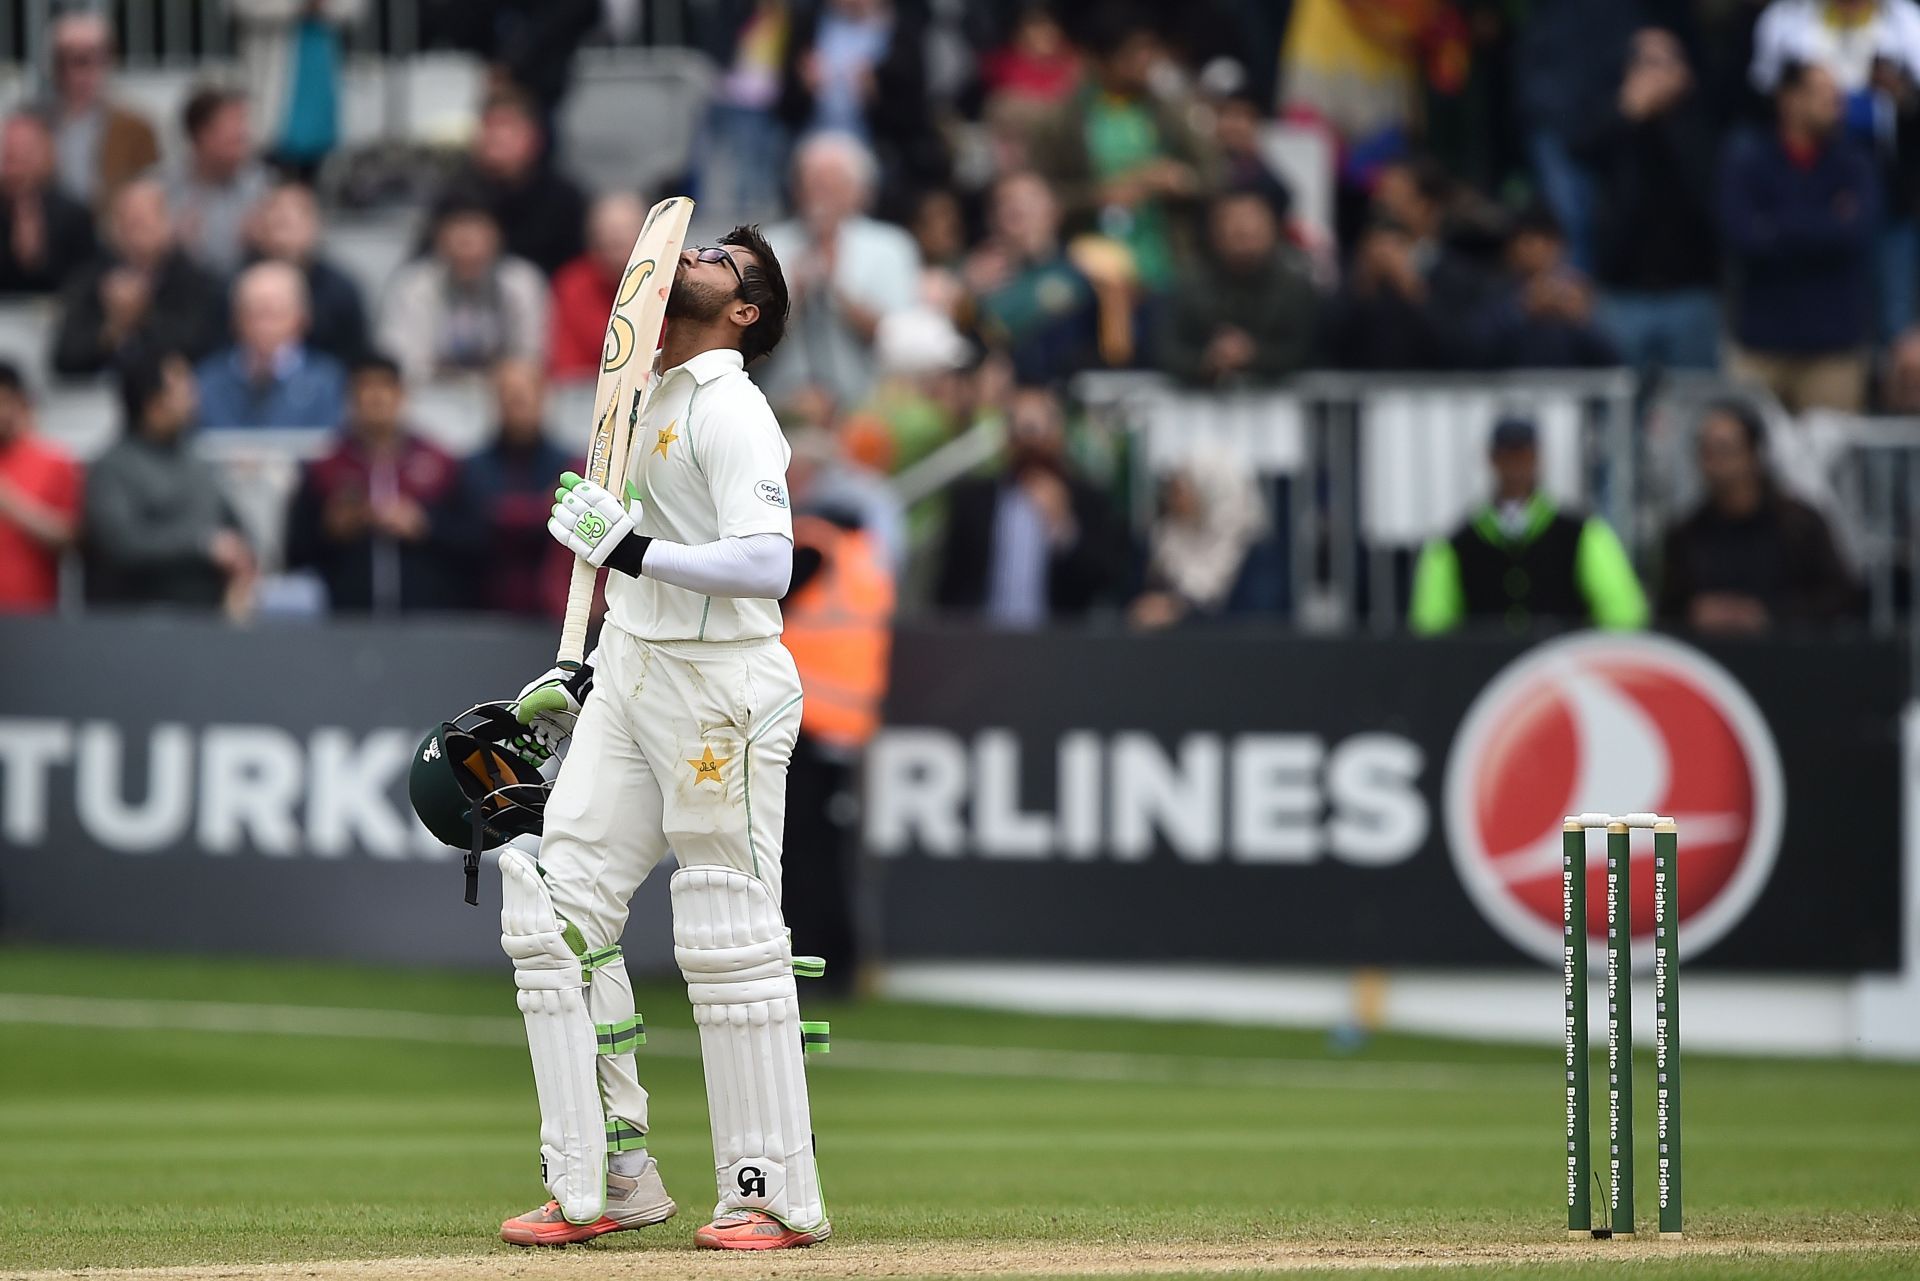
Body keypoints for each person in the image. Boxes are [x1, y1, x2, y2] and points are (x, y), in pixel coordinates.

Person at [501, 227, 834, 1250]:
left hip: (723, 688)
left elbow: (769, 561)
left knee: (726, 931)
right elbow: (629, 559)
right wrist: (584, 657)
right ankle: (613, 1172)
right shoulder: (643, 396)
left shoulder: (735, 408)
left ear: (749, 310)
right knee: (556, 911)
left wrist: (633, 545)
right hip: (633, 668)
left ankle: (773, 1193)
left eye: (729, 260)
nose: (703, 254)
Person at [777, 450, 896, 995]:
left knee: (799, 853)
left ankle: (809, 962)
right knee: (829, 852)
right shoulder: (868, 556)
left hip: (803, 722)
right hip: (846, 727)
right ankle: (839, 963)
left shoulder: (812, 546)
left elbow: (760, 601)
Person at [1720, 59, 1879, 413]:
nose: (1834, 103)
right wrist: (1824, 222)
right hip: (1761, 346)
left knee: (1832, 465)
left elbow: (1855, 235)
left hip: (1834, 349)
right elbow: (1743, 238)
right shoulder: (1749, 161)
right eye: (1821, 93)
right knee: (1746, 461)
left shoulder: (1855, 164)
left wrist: (1775, 226)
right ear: (1788, 99)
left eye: (1835, 94)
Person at [1029, 6, 1215, 294]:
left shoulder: (1172, 111)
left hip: (1166, 264)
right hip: (1088, 269)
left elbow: (1216, 174)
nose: (1145, 63)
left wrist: (1183, 180)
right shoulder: (1062, 120)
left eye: (1149, 52)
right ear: (1100, 61)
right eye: (1131, 55)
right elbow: (1039, 197)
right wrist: (1100, 196)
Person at [1409, 416, 1648, 635]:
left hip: (1560, 669)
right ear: (1492, 459)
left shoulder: (1584, 534)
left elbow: (1624, 614)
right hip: (1482, 673)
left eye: (1523, 455)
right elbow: (1430, 626)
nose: (1515, 466)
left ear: (1537, 458)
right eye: (1507, 456)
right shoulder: (1452, 544)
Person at [1581, 27, 1723, 371]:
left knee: (1693, 409)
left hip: (1690, 293)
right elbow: (1583, 153)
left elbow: (1705, 188)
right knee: (1617, 408)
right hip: (1623, 293)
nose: (1657, 75)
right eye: (1647, 63)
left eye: (1667, 63)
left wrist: (1671, 116)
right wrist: (1628, 114)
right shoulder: (1611, 118)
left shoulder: (1701, 120)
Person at [933, 384, 1129, 626]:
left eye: (1036, 431)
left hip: (1058, 648)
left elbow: (1106, 578)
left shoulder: (1087, 500)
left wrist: (1063, 527)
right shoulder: (973, 500)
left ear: (1058, 434)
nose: (1029, 444)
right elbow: (949, 586)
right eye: (1019, 431)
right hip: (982, 644)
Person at [283, 354, 464, 613]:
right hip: (346, 620)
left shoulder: (439, 463)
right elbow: (295, 550)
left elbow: (473, 540)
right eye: (365, 388)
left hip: (427, 619)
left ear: (401, 395)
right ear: (350, 398)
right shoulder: (326, 467)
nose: (376, 398)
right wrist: (331, 530)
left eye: (385, 387)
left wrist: (425, 525)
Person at [1658, 400, 1857, 631]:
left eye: (1723, 450)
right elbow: (1666, 612)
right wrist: (1694, 612)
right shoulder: (1685, 535)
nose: (1712, 463)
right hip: (1707, 661)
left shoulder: (1800, 524)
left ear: (1753, 455)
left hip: (1792, 658)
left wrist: (1768, 613)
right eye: (1705, 450)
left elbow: (1839, 597)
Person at [83, 351, 255, 612]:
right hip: (135, 624)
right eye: (183, 390)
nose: (194, 399)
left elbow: (234, 524)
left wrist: (243, 552)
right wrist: (201, 546)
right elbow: (122, 544)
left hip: (205, 621)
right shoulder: (112, 466)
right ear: (153, 405)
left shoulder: (196, 459)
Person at [759, 132, 921, 408]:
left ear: (861, 191)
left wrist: (836, 289)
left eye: (833, 187)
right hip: (782, 404)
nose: (822, 197)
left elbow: (900, 340)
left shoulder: (891, 246)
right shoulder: (768, 245)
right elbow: (750, 344)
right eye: (814, 185)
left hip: (868, 406)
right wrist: (792, 296)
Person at [51, 178, 225, 377]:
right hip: (99, 396)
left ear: (168, 222)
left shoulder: (195, 280)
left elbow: (196, 346)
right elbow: (65, 357)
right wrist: (113, 328)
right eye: (128, 223)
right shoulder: (91, 279)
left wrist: (142, 314)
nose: (136, 234)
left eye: (144, 222)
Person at [379, 195, 548, 383]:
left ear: (498, 237)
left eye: (478, 231)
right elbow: (402, 367)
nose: (467, 244)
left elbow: (532, 359)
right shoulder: (411, 287)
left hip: (504, 399)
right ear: (438, 237)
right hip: (432, 398)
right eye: (458, 231)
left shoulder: (522, 283)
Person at [1161, 187, 1319, 385]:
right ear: (1214, 231)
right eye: (1233, 227)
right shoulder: (1187, 283)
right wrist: (1208, 359)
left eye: (1252, 226)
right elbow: (1168, 349)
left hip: (1284, 407)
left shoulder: (1296, 286)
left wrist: (1254, 354)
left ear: (1272, 228)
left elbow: (1307, 349)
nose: (1243, 233)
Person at [964, 169, 1099, 385]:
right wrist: (967, 293)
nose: (1018, 209)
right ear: (992, 218)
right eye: (1006, 202)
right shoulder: (974, 277)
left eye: (1028, 200)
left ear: (1055, 210)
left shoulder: (1086, 266)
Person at [459, 358, 572, 616]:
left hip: (553, 614)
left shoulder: (569, 466)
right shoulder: (472, 467)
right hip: (482, 609)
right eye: (508, 395)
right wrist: (543, 509)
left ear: (542, 397)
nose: (516, 404)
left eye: (523, 395)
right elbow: (478, 527)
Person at [437, 90, 587, 277]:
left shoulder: (564, 200)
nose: (496, 137)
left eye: (507, 127)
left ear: (535, 138)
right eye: (489, 126)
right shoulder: (456, 196)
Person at [196, 261, 349, 430]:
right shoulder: (208, 379)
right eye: (254, 313)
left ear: (302, 319)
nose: (263, 326)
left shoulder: (327, 380)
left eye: (274, 314)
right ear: (234, 320)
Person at [1127, 451, 1269, 630]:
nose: (1174, 499)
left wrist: (1177, 610)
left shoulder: (1250, 554)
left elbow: (1238, 615)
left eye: (1183, 490)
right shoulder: (1163, 539)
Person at [40, 10, 160, 214]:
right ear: (57, 65)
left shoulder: (135, 127)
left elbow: (152, 191)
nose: (86, 71)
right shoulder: (38, 124)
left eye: (97, 59)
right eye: (77, 60)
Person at [231, 0, 366, 178]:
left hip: (318, 56)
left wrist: (323, 6)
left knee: (316, 154)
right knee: (270, 156)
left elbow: (352, 9)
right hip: (273, 57)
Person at [1480, 206, 1619, 370]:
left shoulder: (1582, 293)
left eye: (1548, 243)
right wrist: (1522, 310)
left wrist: (1582, 321)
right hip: (1506, 388)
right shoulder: (1492, 291)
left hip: (1572, 388)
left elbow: (1614, 360)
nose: (1532, 251)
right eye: (1526, 242)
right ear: (1510, 249)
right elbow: (1471, 351)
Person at [245, 182, 369, 363]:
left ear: (315, 226)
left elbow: (355, 359)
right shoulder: (241, 285)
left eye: (290, 224)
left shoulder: (341, 291)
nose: (283, 238)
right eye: (276, 224)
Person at [0, 361, 80, 613]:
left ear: (18, 402)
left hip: (32, 618)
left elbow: (71, 540)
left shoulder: (55, 462)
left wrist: (11, 504)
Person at [167, 87, 273, 278]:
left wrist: (267, 241)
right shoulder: (161, 187)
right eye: (233, 124)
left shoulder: (263, 185)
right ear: (201, 134)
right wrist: (169, 244)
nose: (244, 132)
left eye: (243, 121)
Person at [548, 192, 646, 381]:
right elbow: (566, 368)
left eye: (625, 229)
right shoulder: (571, 285)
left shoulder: (668, 286)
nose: (615, 237)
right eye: (608, 230)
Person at [0, 112, 97, 295]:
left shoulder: (74, 215)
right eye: (9, 154)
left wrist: (36, 256)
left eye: (25, 154)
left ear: (46, 155)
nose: (15, 165)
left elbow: (85, 280)